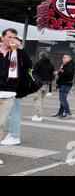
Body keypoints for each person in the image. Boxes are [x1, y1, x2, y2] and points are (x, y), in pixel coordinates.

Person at [0, 29, 32, 161]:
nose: (11, 39)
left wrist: (21, 48)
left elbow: (29, 64)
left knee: (0, 125)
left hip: (8, 93)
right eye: (9, 37)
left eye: (14, 37)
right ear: (2, 37)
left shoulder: (17, 52)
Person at [31, 51, 55, 122]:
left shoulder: (38, 64)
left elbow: (34, 73)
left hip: (39, 84)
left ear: (40, 56)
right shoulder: (51, 64)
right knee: (41, 99)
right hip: (47, 84)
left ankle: (39, 115)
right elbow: (53, 75)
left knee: (37, 99)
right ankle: (39, 114)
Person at [52, 55, 75, 120]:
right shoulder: (65, 65)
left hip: (66, 84)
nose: (62, 59)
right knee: (62, 99)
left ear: (68, 59)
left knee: (62, 99)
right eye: (63, 58)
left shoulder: (70, 65)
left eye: (64, 58)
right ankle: (60, 113)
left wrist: (60, 72)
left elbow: (69, 73)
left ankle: (68, 113)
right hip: (63, 83)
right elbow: (62, 73)